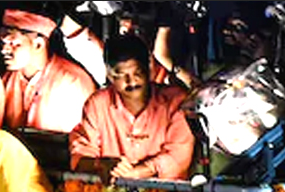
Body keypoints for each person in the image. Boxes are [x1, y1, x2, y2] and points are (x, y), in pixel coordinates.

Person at [70, 34, 195, 182]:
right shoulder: (97, 105)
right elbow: (81, 156)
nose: (131, 81)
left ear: (149, 70)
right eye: (122, 75)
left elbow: (178, 159)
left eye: (137, 73)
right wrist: (101, 164)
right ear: (110, 76)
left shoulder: (176, 101)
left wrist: (135, 173)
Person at [0, 9, 95, 134]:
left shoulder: (72, 82)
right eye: (3, 43)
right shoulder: (6, 80)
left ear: (38, 45)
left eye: (13, 44)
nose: (4, 50)